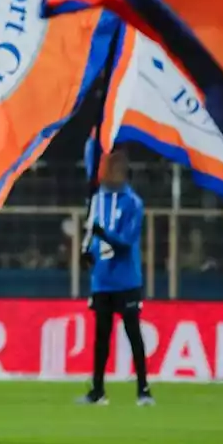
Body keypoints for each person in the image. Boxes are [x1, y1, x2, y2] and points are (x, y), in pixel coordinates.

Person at [79, 148, 153, 407]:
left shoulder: (133, 203)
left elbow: (126, 243)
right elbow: (90, 235)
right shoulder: (97, 199)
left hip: (126, 280)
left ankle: (143, 390)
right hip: (102, 279)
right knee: (101, 335)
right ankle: (98, 390)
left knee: (133, 332)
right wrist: (87, 252)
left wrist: (103, 233)